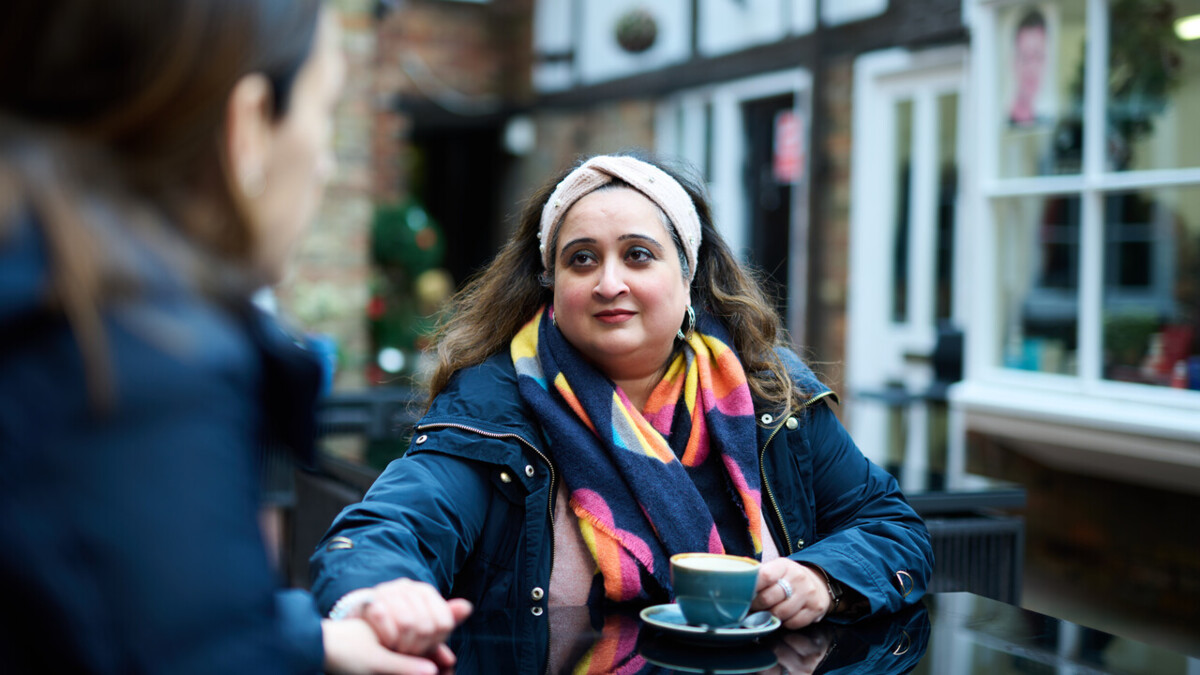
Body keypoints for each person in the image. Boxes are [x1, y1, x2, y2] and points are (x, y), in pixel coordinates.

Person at [0, 1, 467, 672]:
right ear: (249, 125)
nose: (326, 165)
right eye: (324, 115)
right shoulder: (141, 365)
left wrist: (314, 641)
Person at [309, 152, 933, 640]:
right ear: (552, 285)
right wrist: (381, 592)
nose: (610, 282)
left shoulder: (772, 393)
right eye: (582, 260)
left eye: (638, 255)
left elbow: (891, 526)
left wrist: (823, 577)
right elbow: (395, 523)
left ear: (686, 275)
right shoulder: (495, 409)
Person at [1009, 8, 1048, 127]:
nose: (1031, 69)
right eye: (1025, 58)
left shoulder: (1045, 120)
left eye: (1037, 57)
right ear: (1013, 61)